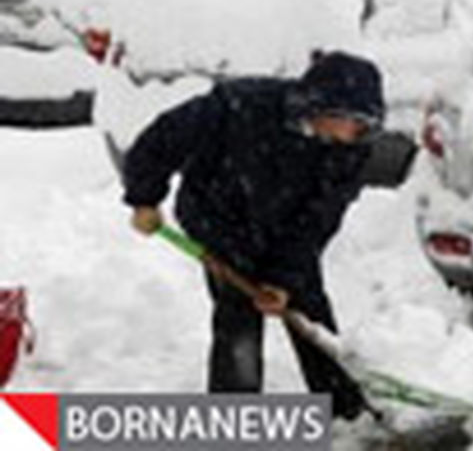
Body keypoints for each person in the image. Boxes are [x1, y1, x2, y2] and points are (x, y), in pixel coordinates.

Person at [121, 50, 385, 419]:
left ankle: (346, 409)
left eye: (361, 126)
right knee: (238, 309)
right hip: (220, 217)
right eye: (347, 121)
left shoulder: (349, 150)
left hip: (286, 226)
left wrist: (284, 278)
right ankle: (235, 415)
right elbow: (160, 141)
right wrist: (144, 198)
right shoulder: (240, 105)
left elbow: (317, 220)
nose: (349, 134)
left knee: (307, 303)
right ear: (320, 106)